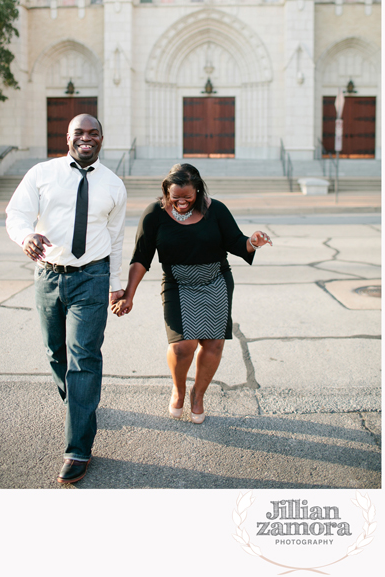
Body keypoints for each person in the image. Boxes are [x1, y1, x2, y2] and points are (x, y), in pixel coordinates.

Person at [6, 113, 127, 485]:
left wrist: (116, 284)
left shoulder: (113, 185)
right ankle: (80, 404)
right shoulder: (42, 174)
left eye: (93, 133)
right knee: (54, 351)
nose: (86, 138)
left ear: (101, 140)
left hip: (92, 276)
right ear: (68, 137)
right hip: (48, 275)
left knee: (84, 356)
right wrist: (26, 236)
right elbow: (16, 214)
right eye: (79, 133)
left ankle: (78, 447)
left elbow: (117, 237)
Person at [113, 163, 272, 423]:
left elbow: (235, 242)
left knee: (213, 343)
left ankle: (198, 395)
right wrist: (129, 294)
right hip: (178, 283)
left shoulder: (215, 210)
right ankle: (179, 389)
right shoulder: (154, 214)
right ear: (166, 192)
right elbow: (141, 256)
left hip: (215, 281)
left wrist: (252, 242)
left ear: (198, 190)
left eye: (188, 197)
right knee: (182, 346)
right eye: (175, 198)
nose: (182, 202)